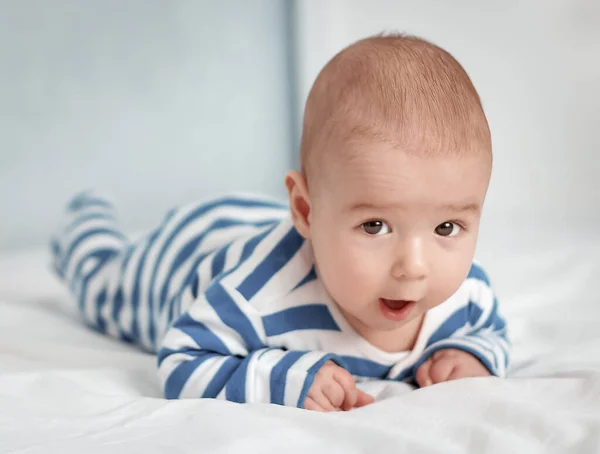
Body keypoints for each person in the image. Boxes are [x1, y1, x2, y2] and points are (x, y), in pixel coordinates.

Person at [50, 34, 509, 412]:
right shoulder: (256, 295)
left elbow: (491, 333)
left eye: (447, 228)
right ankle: (84, 218)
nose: (414, 267)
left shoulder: (465, 296)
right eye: (375, 226)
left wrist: (472, 356)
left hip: (272, 224)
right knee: (101, 279)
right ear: (306, 211)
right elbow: (182, 360)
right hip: (188, 253)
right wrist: (283, 380)